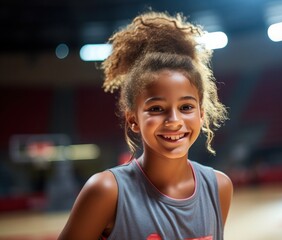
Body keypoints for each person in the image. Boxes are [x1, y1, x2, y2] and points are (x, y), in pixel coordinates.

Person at [58, 11, 233, 240]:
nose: (174, 121)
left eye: (186, 107)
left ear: (201, 114)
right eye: (157, 109)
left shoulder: (219, 187)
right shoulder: (106, 191)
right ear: (133, 120)